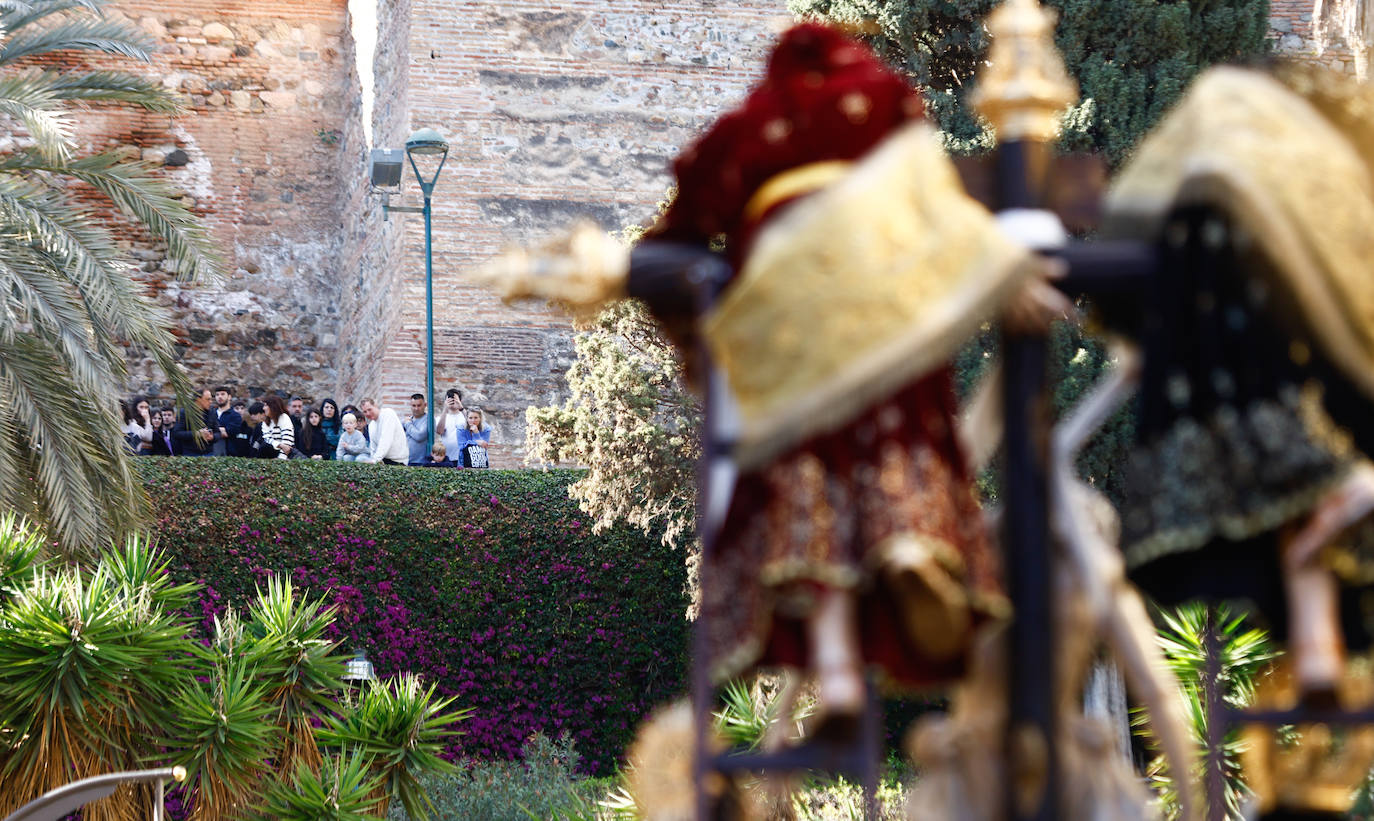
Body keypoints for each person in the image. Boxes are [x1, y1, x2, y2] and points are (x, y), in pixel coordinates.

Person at [359, 398, 408, 465]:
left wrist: (375, 460)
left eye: (369, 409)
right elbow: (373, 448)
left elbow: (386, 439)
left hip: (397, 461)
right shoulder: (371, 425)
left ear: (375, 406)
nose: (368, 413)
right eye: (365, 412)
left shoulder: (388, 414)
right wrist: (373, 460)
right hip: (383, 461)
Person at [173, 389, 220, 456]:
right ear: (198, 399)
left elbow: (218, 433)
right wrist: (197, 433)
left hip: (209, 452)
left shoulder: (212, 412)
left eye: (211, 399)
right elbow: (177, 433)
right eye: (208, 399)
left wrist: (212, 437)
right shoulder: (184, 412)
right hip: (190, 453)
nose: (210, 402)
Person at [260, 395, 295, 460]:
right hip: (273, 451)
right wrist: (280, 445)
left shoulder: (284, 418)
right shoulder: (265, 422)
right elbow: (267, 439)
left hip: (286, 454)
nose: (263, 408)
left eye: (265, 405)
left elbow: (287, 441)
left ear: (272, 406)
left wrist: (281, 458)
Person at [210, 386, 242, 457]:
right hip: (210, 452)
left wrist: (213, 430)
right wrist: (222, 430)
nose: (219, 397)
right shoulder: (211, 413)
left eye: (222, 394)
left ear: (229, 397)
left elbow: (229, 433)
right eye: (217, 395)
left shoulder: (235, 416)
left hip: (228, 454)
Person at [434, 388, 466, 457]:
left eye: (454, 399)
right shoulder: (440, 418)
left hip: (462, 457)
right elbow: (439, 431)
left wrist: (461, 408)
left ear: (460, 400)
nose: (452, 401)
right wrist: (445, 409)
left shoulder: (464, 415)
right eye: (449, 399)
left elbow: (472, 424)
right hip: (446, 457)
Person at [403, 393, 430, 466]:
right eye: (414, 405)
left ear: (425, 405)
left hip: (420, 463)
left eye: (419, 405)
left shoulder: (428, 419)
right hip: (405, 461)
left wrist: (408, 424)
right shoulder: (408, 420)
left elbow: (419, 436)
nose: (416, 408)